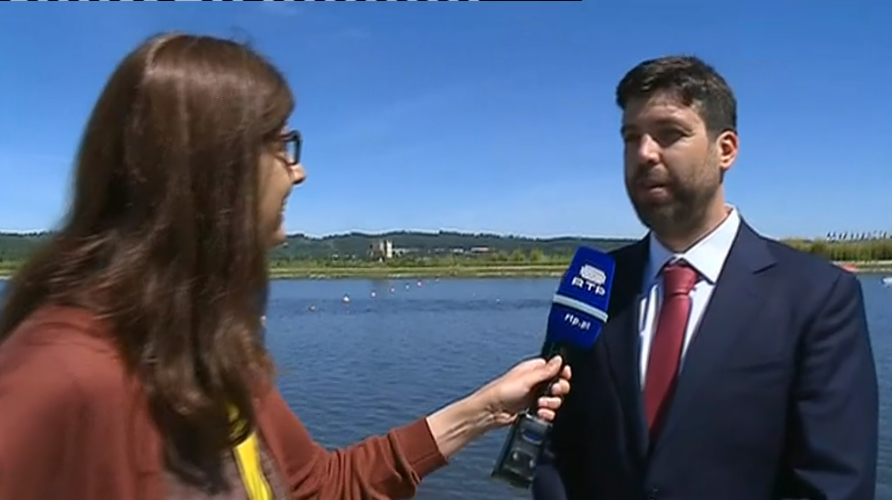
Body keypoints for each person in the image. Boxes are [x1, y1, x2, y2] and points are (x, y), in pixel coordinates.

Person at [0, 33, 572, 500]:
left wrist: (485, 409)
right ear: (213, 166)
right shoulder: (59, 371)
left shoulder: (204, 350)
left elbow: (319, 486)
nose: (298, 173)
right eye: (281, 145)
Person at [533, 55, 879, 500]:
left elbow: (834, 485)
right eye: (630, 137)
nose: (644, 153)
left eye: (669, 134)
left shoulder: (820, 298)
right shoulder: (595, 282)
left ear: (726, 150)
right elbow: (555, 447)